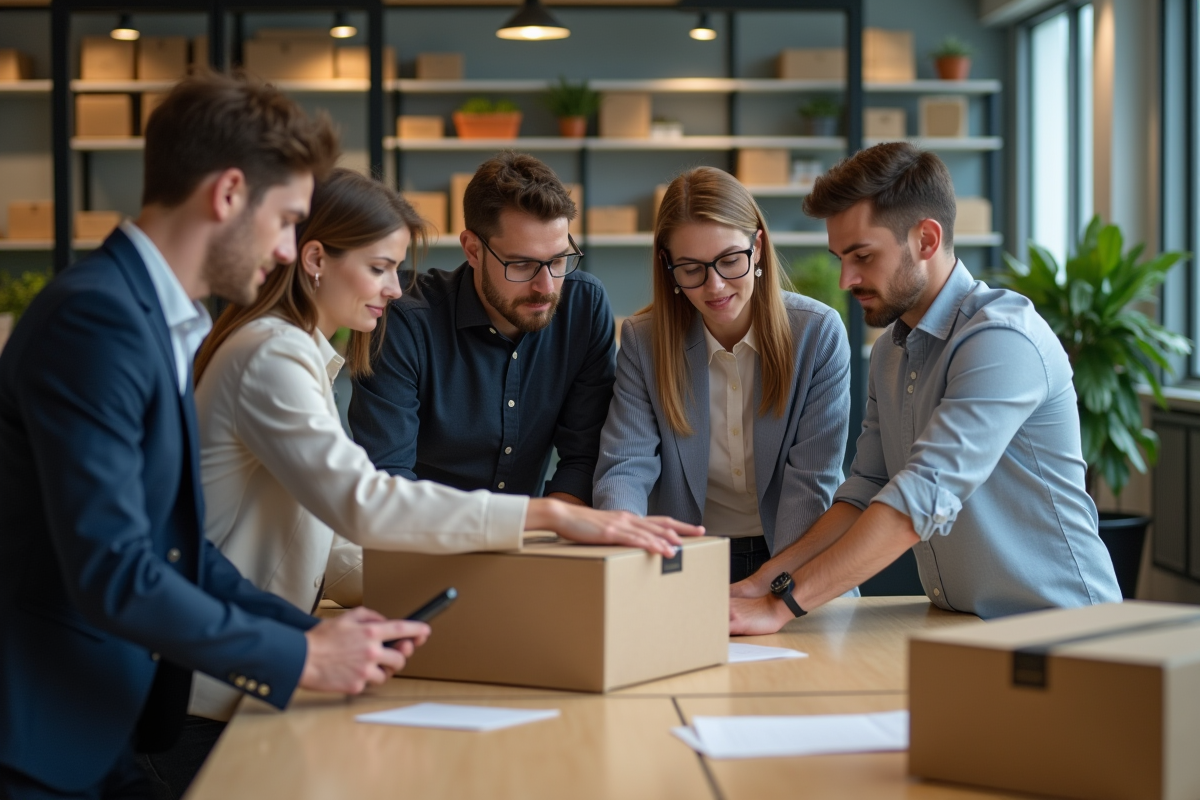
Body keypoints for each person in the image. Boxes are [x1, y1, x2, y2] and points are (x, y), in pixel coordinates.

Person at [141, 167, 700, 797]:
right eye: (380, 268)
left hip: (241, 675)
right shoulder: (272, 356)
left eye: (395, 269)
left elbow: (329, 542)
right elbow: (363, 502)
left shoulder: (297, 353)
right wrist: (549, 516)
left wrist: (444, 600)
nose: (393, 288)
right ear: (316, 260)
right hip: (207, 693)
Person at [0, 74, 432, 800]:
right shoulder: (97, 319)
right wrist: (298, 658)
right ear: (229, 194)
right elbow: (115, 569)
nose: (292, 251)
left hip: (107, 724)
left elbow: (181, 549)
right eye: (287, 220)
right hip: (45, 736)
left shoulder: (159, 318)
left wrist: (307, 635)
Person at [729, 142, 1122, 632]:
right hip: (964, 628)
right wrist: (762, 583)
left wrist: (779, 607)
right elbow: (866, 490)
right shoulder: (890, 352)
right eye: (840, 258)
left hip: (1067, 632)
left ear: (927, 240)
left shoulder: (1002, 339)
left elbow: (921, 497)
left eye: (862, 256)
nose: (846, 279)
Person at [592, 167, 852, 583]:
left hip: (795, 556)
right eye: (692, 268)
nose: (715, 286)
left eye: (730, 261)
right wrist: (624, 562)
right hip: (682, 559)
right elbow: (626, 466)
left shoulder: (817, 334)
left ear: (758, 248)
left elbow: (812, 484)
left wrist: (773, 590)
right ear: (667, 265)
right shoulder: (644, 341)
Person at [349, 151, 614, 506]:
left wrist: (551, 531)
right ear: (473, 250)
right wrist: (533, 521)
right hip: (423, 534)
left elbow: (584, 457)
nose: (546, 287)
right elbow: (389, 481)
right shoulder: (404, 320)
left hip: (535, 535)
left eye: (558, 260)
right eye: (521, 265)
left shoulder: (584, 306)